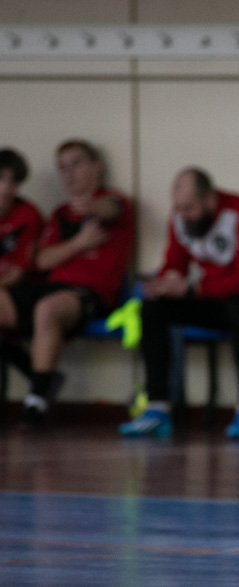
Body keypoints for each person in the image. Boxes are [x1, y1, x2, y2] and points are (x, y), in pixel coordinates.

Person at [119, 168, 239, 439]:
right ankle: (156, 408)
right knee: (154, 308)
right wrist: (165, 283)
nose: (182, 215)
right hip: (214, 298)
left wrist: (192, 288)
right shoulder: (181, 218)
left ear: (210, 199)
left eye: (189, 208)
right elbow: (175, 263)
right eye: (178, 208)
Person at [0, 139, 134, 425]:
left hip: (90, 295)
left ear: (96, 167)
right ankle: (38, 377)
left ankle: (36, 402)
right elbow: (42, 260)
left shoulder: (116, 201)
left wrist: (94, 207)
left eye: (76, 164)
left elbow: (112, 208)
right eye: (63, 168)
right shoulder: (61, 213)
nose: (69, 174)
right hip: (50, 289)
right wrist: (78, 244)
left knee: (47, 308)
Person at [0, 148, 45, 378]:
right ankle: (41, 380)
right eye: (1, 179)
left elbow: (19, 274)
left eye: (14, 181)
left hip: (26, 294)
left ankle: (40, 380)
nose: (6, 189)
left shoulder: (28, 215)